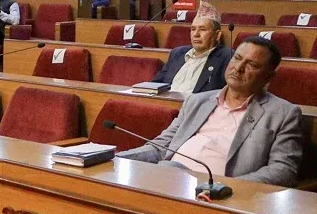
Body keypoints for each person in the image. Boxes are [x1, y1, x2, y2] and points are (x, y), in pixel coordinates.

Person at [120, 37, 303, 187]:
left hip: (218, 193)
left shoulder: (283, 114)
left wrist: (227, 188)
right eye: (237, 58)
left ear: (269, 77)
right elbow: (160, 147)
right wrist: (115, 158)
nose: (238, 68)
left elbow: (283, 170)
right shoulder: (197, 101)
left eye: (252, 65)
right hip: (167, 176)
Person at [152, 9, 234, 95]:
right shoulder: (177, 53)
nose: (196, 34)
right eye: (193, 29)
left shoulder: (227, 57)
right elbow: (155, 84)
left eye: (202, 29)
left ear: (217, 35)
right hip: (166, 102)